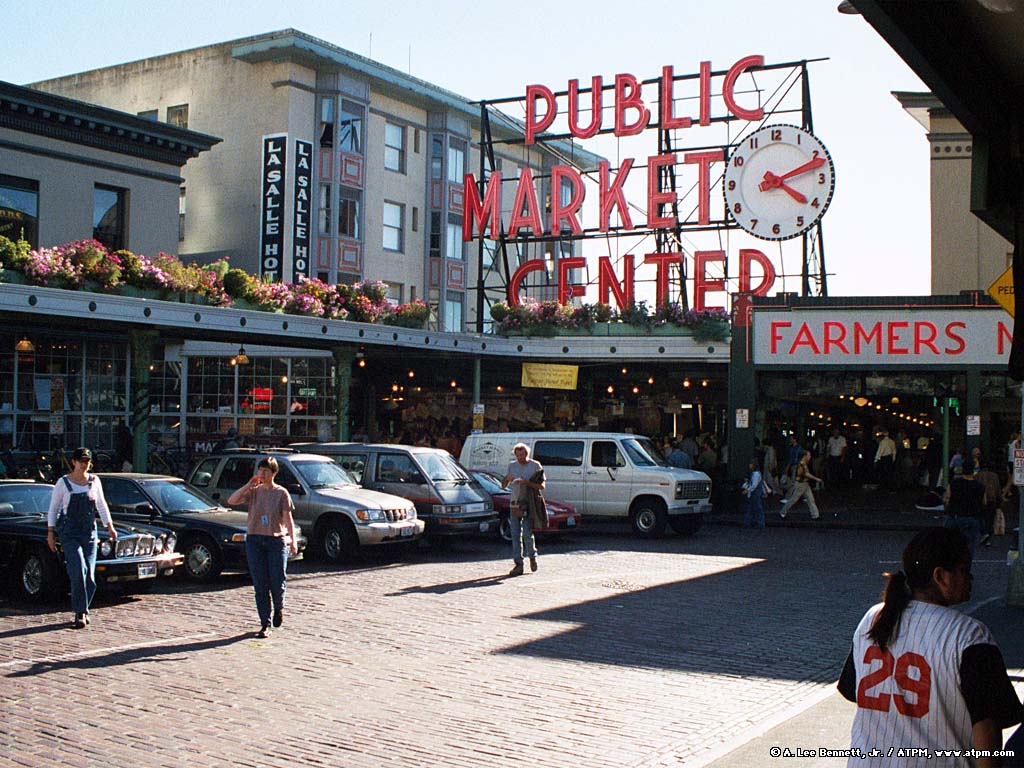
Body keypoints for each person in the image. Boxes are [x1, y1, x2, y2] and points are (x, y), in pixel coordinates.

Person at [837, 528, 1022, 767]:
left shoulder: (873, 619)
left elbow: (853, 692)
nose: (971, 579)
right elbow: (986, 732)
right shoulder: (969, 636)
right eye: (964, 570)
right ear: (940, 576)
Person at [46, 447, 118, 629]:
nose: (84, 464)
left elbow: (101, 505)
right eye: (81, 461)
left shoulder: (95, 481)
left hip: (89, 533)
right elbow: (54, 508)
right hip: (69, 533)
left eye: (87, 461)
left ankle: (83, 607)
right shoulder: (63, 483)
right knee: (78, 569)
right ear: (74, 462)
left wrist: (109, 527)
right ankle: (80, 612)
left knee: (90, 577)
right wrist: (51, 533)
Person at [227, 456, 298, 638]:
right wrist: (247, 485)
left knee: (277, 580)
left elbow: (288, 519)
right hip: (255, 540)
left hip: (276, 541)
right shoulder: (254, 491)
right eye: (261, 470)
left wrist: (293, 541)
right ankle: (264, 623)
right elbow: (232, 500)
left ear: (274, 473)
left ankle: (279, 608)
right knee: (260, 584)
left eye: (266, 471)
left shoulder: (281, 493)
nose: (263, 474)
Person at [501, 442, 544, 577]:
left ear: (527, 453)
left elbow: (541, 486)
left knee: (527, 533)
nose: (520, 457)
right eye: (517, 455)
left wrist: (527, 483)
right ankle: (518, 563)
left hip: (529, 503)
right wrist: (507, 479)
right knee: (514, 534)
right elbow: (503, 485)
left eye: (522, 454)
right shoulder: (512, 466)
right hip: (514, 503)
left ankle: (532, 556)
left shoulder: (535, 465)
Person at [943, 457, 986, 555]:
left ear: (962, 469)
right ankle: (966, 568)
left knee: (949, 546)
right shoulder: (980, 486)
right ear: (973, 471)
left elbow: (947, 499)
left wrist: (947, 508)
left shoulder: (954, 484)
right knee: (969, 549)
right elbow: (984, 502)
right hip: (972, 518)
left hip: (955, 517)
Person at [779, 450, 821, 520]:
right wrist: (816, 479)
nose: (810, 457)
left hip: (804, 484)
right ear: (805, 456)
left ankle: (815, 515)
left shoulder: (803, 463)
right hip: (801, 484)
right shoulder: (802, 464)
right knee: (794, 499)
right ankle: (783, 511)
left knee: (810, 499)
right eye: (808, 455)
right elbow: (806, 474)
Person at [741, 456, 767, 529]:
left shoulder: (755, 474)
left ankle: (751, 522)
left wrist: (747, 490)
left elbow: (754, 485)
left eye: (751, 464)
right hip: (755, 493)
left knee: (755, 508)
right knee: (755, 508)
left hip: (755, 493)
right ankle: (755, 522)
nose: (749, 465)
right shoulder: (757, 473)